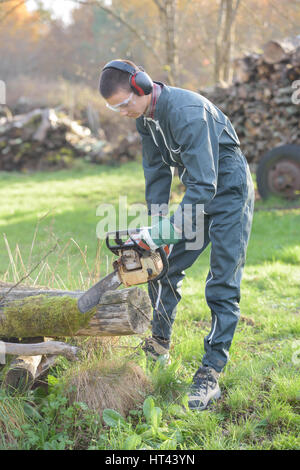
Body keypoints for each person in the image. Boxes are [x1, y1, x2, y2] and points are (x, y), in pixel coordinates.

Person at [99, 59, 254, 411]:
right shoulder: (146, 121)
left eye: (124, 104)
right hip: (198, 194)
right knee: (162, 267)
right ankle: (159, 345)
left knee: (222, 282)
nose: (122, 112)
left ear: (142, 85)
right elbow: (156, 176)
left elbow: (204, 185)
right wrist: (155, 231)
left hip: (227, 192)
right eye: (114, 108)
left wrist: (163, 231)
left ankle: (210, 371)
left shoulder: (185, 111)